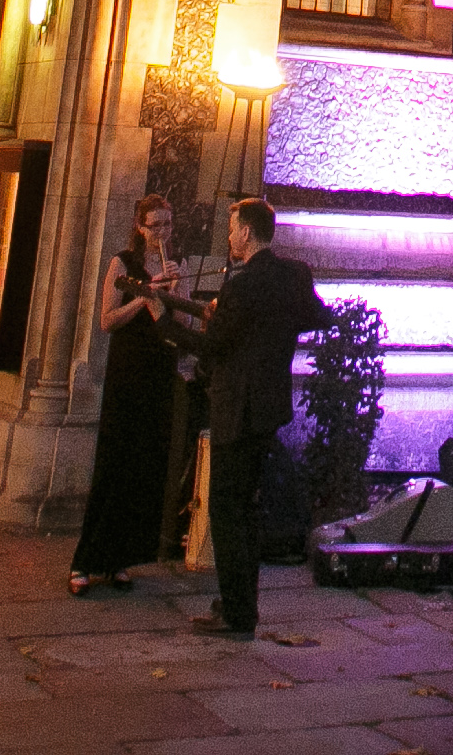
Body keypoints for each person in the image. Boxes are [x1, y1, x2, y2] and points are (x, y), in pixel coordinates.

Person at [165, 195, 321, 638]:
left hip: (237, 408)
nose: (230, 236)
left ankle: (236, 614)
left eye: (233, 228)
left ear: (248, 232)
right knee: (246, 512)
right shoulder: (294, 274)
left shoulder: (242, 284)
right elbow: (315, 316)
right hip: (269, 407)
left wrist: (164, 321)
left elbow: (212, 347)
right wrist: (264, 329)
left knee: (226, 511)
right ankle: (239, 606)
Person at [65, 193, 186, 597]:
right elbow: (106, 320)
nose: (161, 234)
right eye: (154, 226)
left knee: (143, 466)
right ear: (139, 226)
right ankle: (85, 561)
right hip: (126, 370)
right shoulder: (122, 263)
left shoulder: (174, 265)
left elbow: (180, 322)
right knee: (114, 462)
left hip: (158, 369)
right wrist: (144, 295)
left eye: (167, 225)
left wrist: (173, 291)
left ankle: (120, 560)